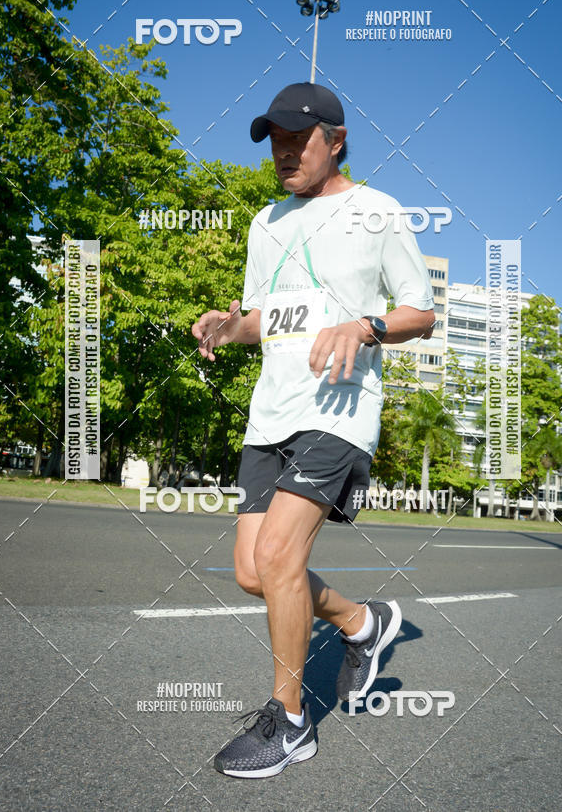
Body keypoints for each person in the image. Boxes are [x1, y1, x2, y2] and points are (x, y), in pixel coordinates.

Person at [192, 82, 435, 779]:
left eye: (299, 140)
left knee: (277, 557)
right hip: (272, 411)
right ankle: (363, 623)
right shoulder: (266, 221)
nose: (285, 152)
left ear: (338, 139)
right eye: (276, 140)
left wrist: (365, 325)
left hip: (339, 409)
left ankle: (290, 721)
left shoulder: (377, 212)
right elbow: (263, 317)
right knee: (252, 572)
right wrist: (225, 326)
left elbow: (421, 313)